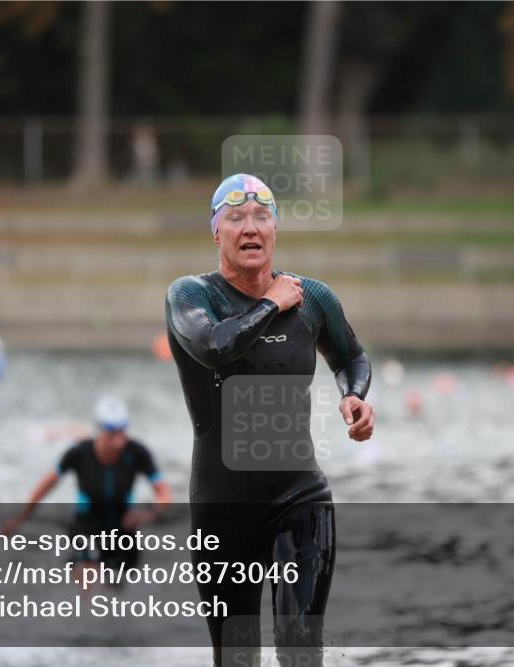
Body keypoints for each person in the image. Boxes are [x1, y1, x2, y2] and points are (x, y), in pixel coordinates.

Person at [165, 173, 374, 666]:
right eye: (235, 218)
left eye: (262, 216)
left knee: (300, 651)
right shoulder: (190, 296)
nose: (250, 227)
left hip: (300, 497)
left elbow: (351, 357)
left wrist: (354, 396)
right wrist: (270, 303)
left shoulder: (314, 298)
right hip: (222, 508)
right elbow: (216, 348)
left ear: (275, 229)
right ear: (216, 232)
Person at [3, 396, 172, 592]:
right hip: (87, 526)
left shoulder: (137, 452)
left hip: (123, 528)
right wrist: (20, 518)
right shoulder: (79, 454)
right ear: (99, 430)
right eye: (111, 433)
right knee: (87, 577)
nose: (118, 442)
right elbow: (45, 487)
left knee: (115, 589)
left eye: (122, 432)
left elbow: (165, 493)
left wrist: (148, 514)